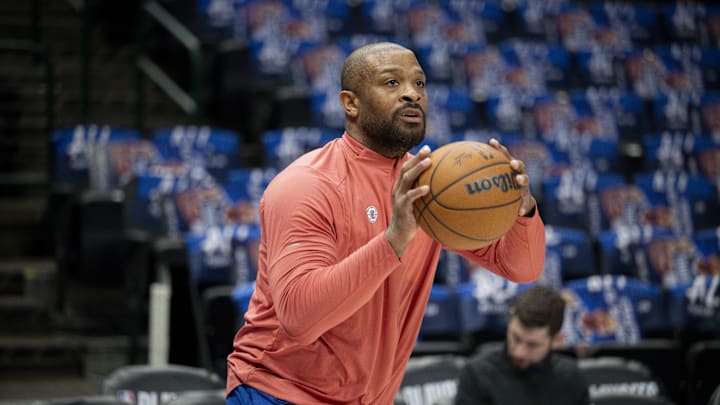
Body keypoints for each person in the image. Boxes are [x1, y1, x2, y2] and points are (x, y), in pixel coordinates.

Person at [226, 42, 546, 405]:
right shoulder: (307, 185)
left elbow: (523, 267)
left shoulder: (432, 188)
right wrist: (394, 240)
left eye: (420, 84)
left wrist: (522, 210)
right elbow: (300, 320)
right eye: (391, 83)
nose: (412, 94)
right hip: (280, 392)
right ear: (350, 103)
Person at [454, 285, 590, 405]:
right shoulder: (476, 375)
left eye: (532, 345)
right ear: (510, 322)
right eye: (516, 338)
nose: (519, 352)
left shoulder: (571, 378)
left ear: (557, 340)